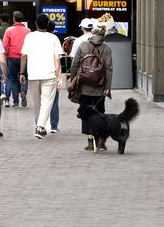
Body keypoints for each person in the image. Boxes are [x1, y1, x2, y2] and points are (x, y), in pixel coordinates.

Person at [67, 23, 115, 151]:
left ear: (93, 34)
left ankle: (90, 142)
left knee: (85, 114)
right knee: (100, 114)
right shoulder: (106, 48)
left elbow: (74, 65)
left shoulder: (83, 45)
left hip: (84, 85)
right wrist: (108, 87)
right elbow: (109, 68)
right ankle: (100, 141)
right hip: (100, 86)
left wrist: (73, 80)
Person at [20, 18, 66, 138]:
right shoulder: (53, 38)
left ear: (36, 23)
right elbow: (57, 58)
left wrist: (22, 72)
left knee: (37, 102)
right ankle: (40, 127)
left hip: (33, 74)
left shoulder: (29, 36)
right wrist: (59, 77)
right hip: (49, 74)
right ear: (47, 25)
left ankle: (39, 125)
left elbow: (24, 55)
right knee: (47, 101)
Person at [2, 15, 30, 107]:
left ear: (14, 19)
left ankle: (16, 102)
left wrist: (6, 54)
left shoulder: (9, 30)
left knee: (13, 79)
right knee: (24, 76)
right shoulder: (28, 30)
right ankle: (23, 92)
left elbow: (5, 45)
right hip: (24, 57)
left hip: (12, 57)